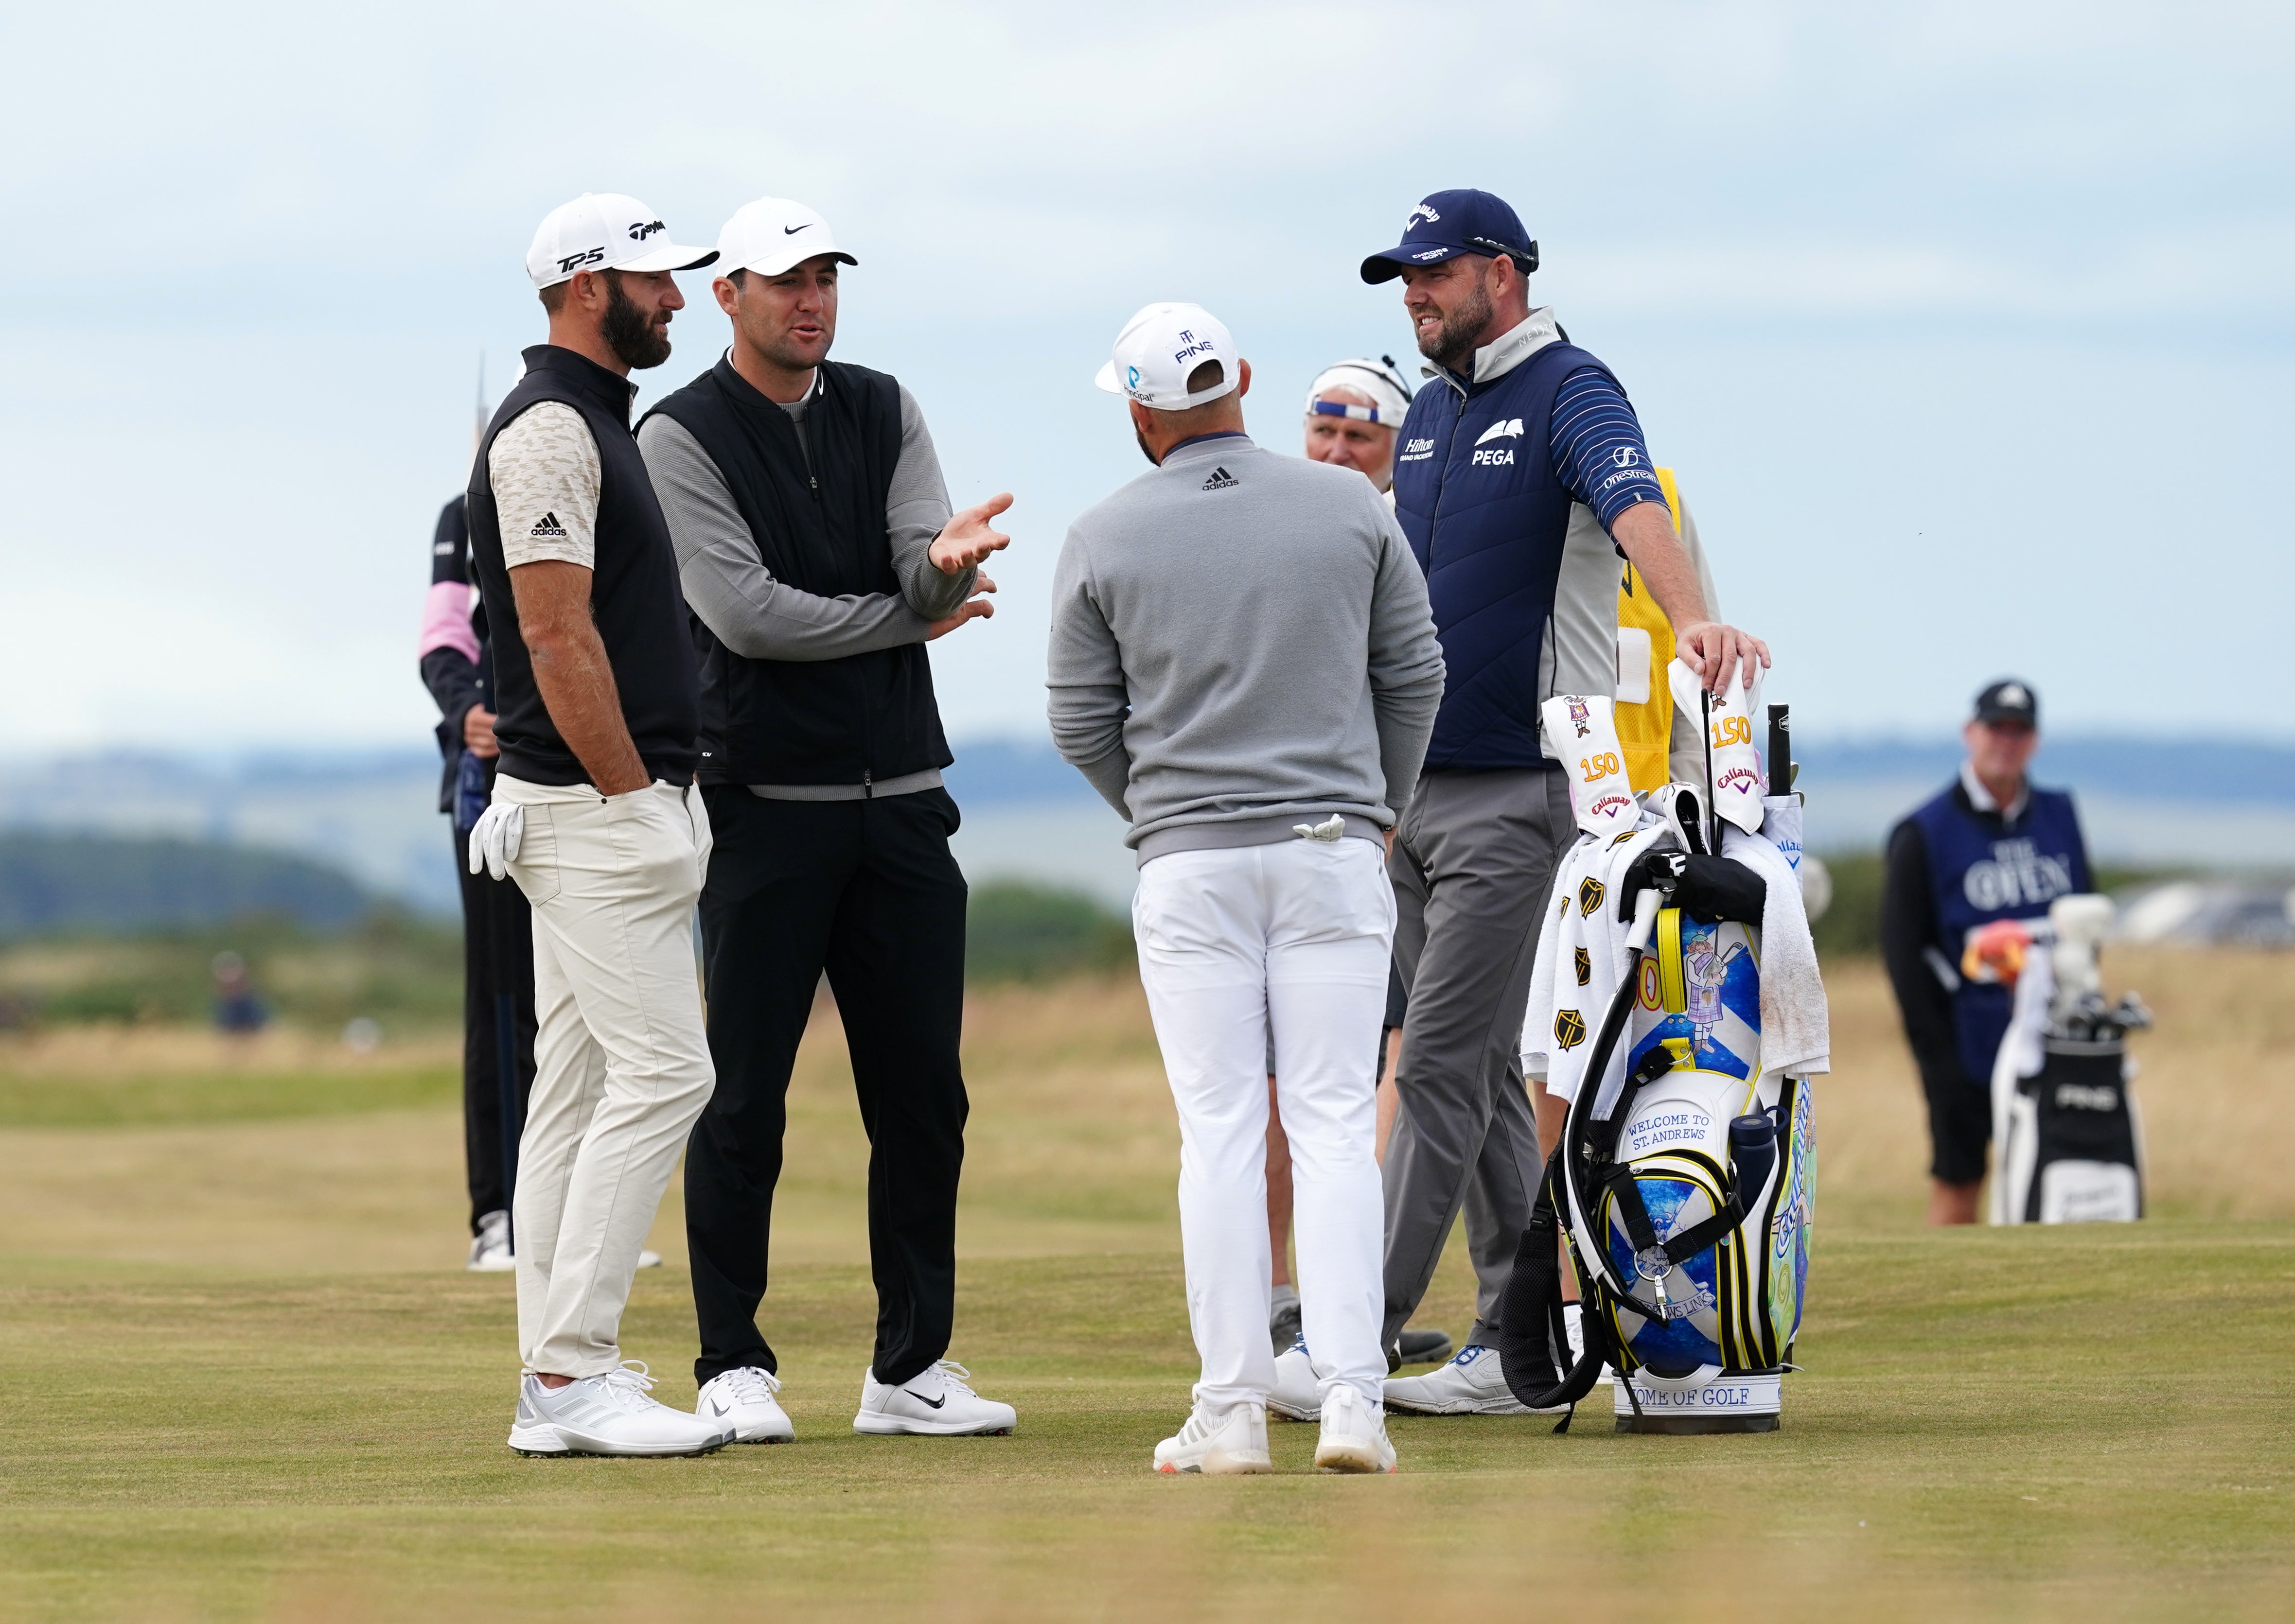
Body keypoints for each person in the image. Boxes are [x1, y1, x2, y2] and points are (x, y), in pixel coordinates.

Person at [1358, 190, 1768, 1418]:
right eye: (1404, 279)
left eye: (1432, 273)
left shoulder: (1573, 387)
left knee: (1433, 1067)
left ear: (1501, 272)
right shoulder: (1429, 415)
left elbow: (1631, 497)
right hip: (1416, 794)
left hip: (1528, 795)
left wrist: (1691, 612)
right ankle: (1507, 1337)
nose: (1415, 295)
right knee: (1479, 1078)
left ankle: (1348, 1341)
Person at [636, 197, 1016, 1443]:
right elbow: (747, 616)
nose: (811, 300)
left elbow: (919, 560)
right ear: (730, 295)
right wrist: (916, 616)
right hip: (764, 812)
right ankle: (731, 1361)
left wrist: (942, 568)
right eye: (784, 281)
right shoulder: (678, 433)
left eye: (825, 279)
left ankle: (909, 1369)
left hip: (903, 803)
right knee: (742, 1098)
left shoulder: (884, 403)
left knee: (922, 1101)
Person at [1049, 301, 1446, 1475]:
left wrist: (1164, 814)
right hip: (1333, 845)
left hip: (1189, 865)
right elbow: (1415, 674)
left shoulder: (1101, 533)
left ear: (1137, 406)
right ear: (1245, 381)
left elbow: (1081, 724)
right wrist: (1381, 813)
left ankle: (1229, 1413)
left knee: (1220, 1133)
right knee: (1332, 1127)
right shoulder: (1342, 505)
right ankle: (1352, 1406)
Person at [464, 192, 729, 1458]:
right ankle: (572, 1373)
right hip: (591, 811)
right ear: (584, 287)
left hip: (589, 807)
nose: (676, 297)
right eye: (655, 279)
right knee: (671, 1072)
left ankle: (554, 1377)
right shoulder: (551, 431)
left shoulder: (594, 420)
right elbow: (556, 636)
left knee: (571, 1093)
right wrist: (641, 802)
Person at [1264, 356, 1451, 1373]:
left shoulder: (1406, 532)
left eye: (1360, 438)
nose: (1336, 452)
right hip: (1288, 827)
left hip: (1378, 831)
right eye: (1322, 432)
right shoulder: (1283, 519)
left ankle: (1341, 1299)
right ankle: (1275, 1301)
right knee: (1269, 1079)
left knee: (1375, 1066)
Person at [1883, 680, 2092, 1225]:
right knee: (1960, 1180)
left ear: (2034, 740)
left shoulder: (2059, 815)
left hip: (2053, 1034)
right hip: (1964, 1041)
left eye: (2019, 730)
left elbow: (2084, 922)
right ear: (1970, 733)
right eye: (1996, 728)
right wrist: (1938, 1057)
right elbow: (1904, 957)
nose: (2006, 741)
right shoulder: (1922, 832)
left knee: (2060, 1177)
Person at [419, 493, 537, 1273]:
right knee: (498, 1000)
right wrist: (466, 711)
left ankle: (574, 1219)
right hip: (486, 790)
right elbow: (441, 641)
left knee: (581, 1012)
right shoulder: (461, 518)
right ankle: (499, 1214)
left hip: (581, 782)